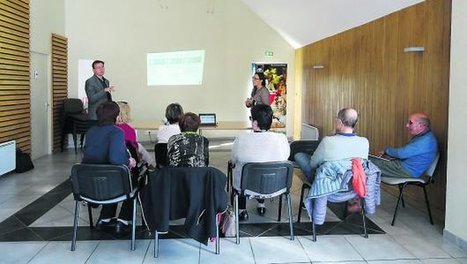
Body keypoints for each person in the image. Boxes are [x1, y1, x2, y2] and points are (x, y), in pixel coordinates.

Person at [82, 101, 136, 234]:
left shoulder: (91, 131)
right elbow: (116, 159)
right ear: (116, 116)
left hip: (91, 186)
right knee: (133, 179)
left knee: (110, 176)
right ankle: (123, 220)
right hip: (111, 185)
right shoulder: (117, 132)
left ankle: (105, 218)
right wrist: (129, 162)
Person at [231, 104, 290, 220]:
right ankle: (261, 204)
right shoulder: (282, 139)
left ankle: (242, 210)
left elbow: (233, 160)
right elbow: (285, 157)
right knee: (265, 168)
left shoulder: (242, 139)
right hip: (276, 186)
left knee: (241, 169)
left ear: (254, 123)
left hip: (246, 186)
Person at [294, 108, 369, 183]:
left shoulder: (328, 141)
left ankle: (314, 184)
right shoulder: (365, 142)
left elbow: (313, 164)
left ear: (339, 122)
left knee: (299, 155)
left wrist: (334, 135)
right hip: (351, 183)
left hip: (327, 182)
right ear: (355, 123)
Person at [370, 112, 438, 178]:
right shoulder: (424, 137)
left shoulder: (426, 141)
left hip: (406, 170)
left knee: (366, 163)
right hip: (404, 167)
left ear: (421, 125)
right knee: (367, 161)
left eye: (410, 123)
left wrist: (386, 150)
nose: (407, 125)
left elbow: (401, 154)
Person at [115, 101, 155, 168]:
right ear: (127, 114)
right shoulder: (129, 130)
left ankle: (151, 164)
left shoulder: (110, 128)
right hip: (129, 157)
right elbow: (134, 148)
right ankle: (152, 166)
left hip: (116, 158)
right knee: (140, 147)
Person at [85, 60, 115, 124]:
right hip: (95, 116)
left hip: (105, 115)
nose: (101, 69)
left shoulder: (106, 81)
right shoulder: (90, 81)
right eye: (98, 67)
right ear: (93, 70)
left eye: (102, 67)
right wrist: (104, 90)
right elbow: (92, 99)